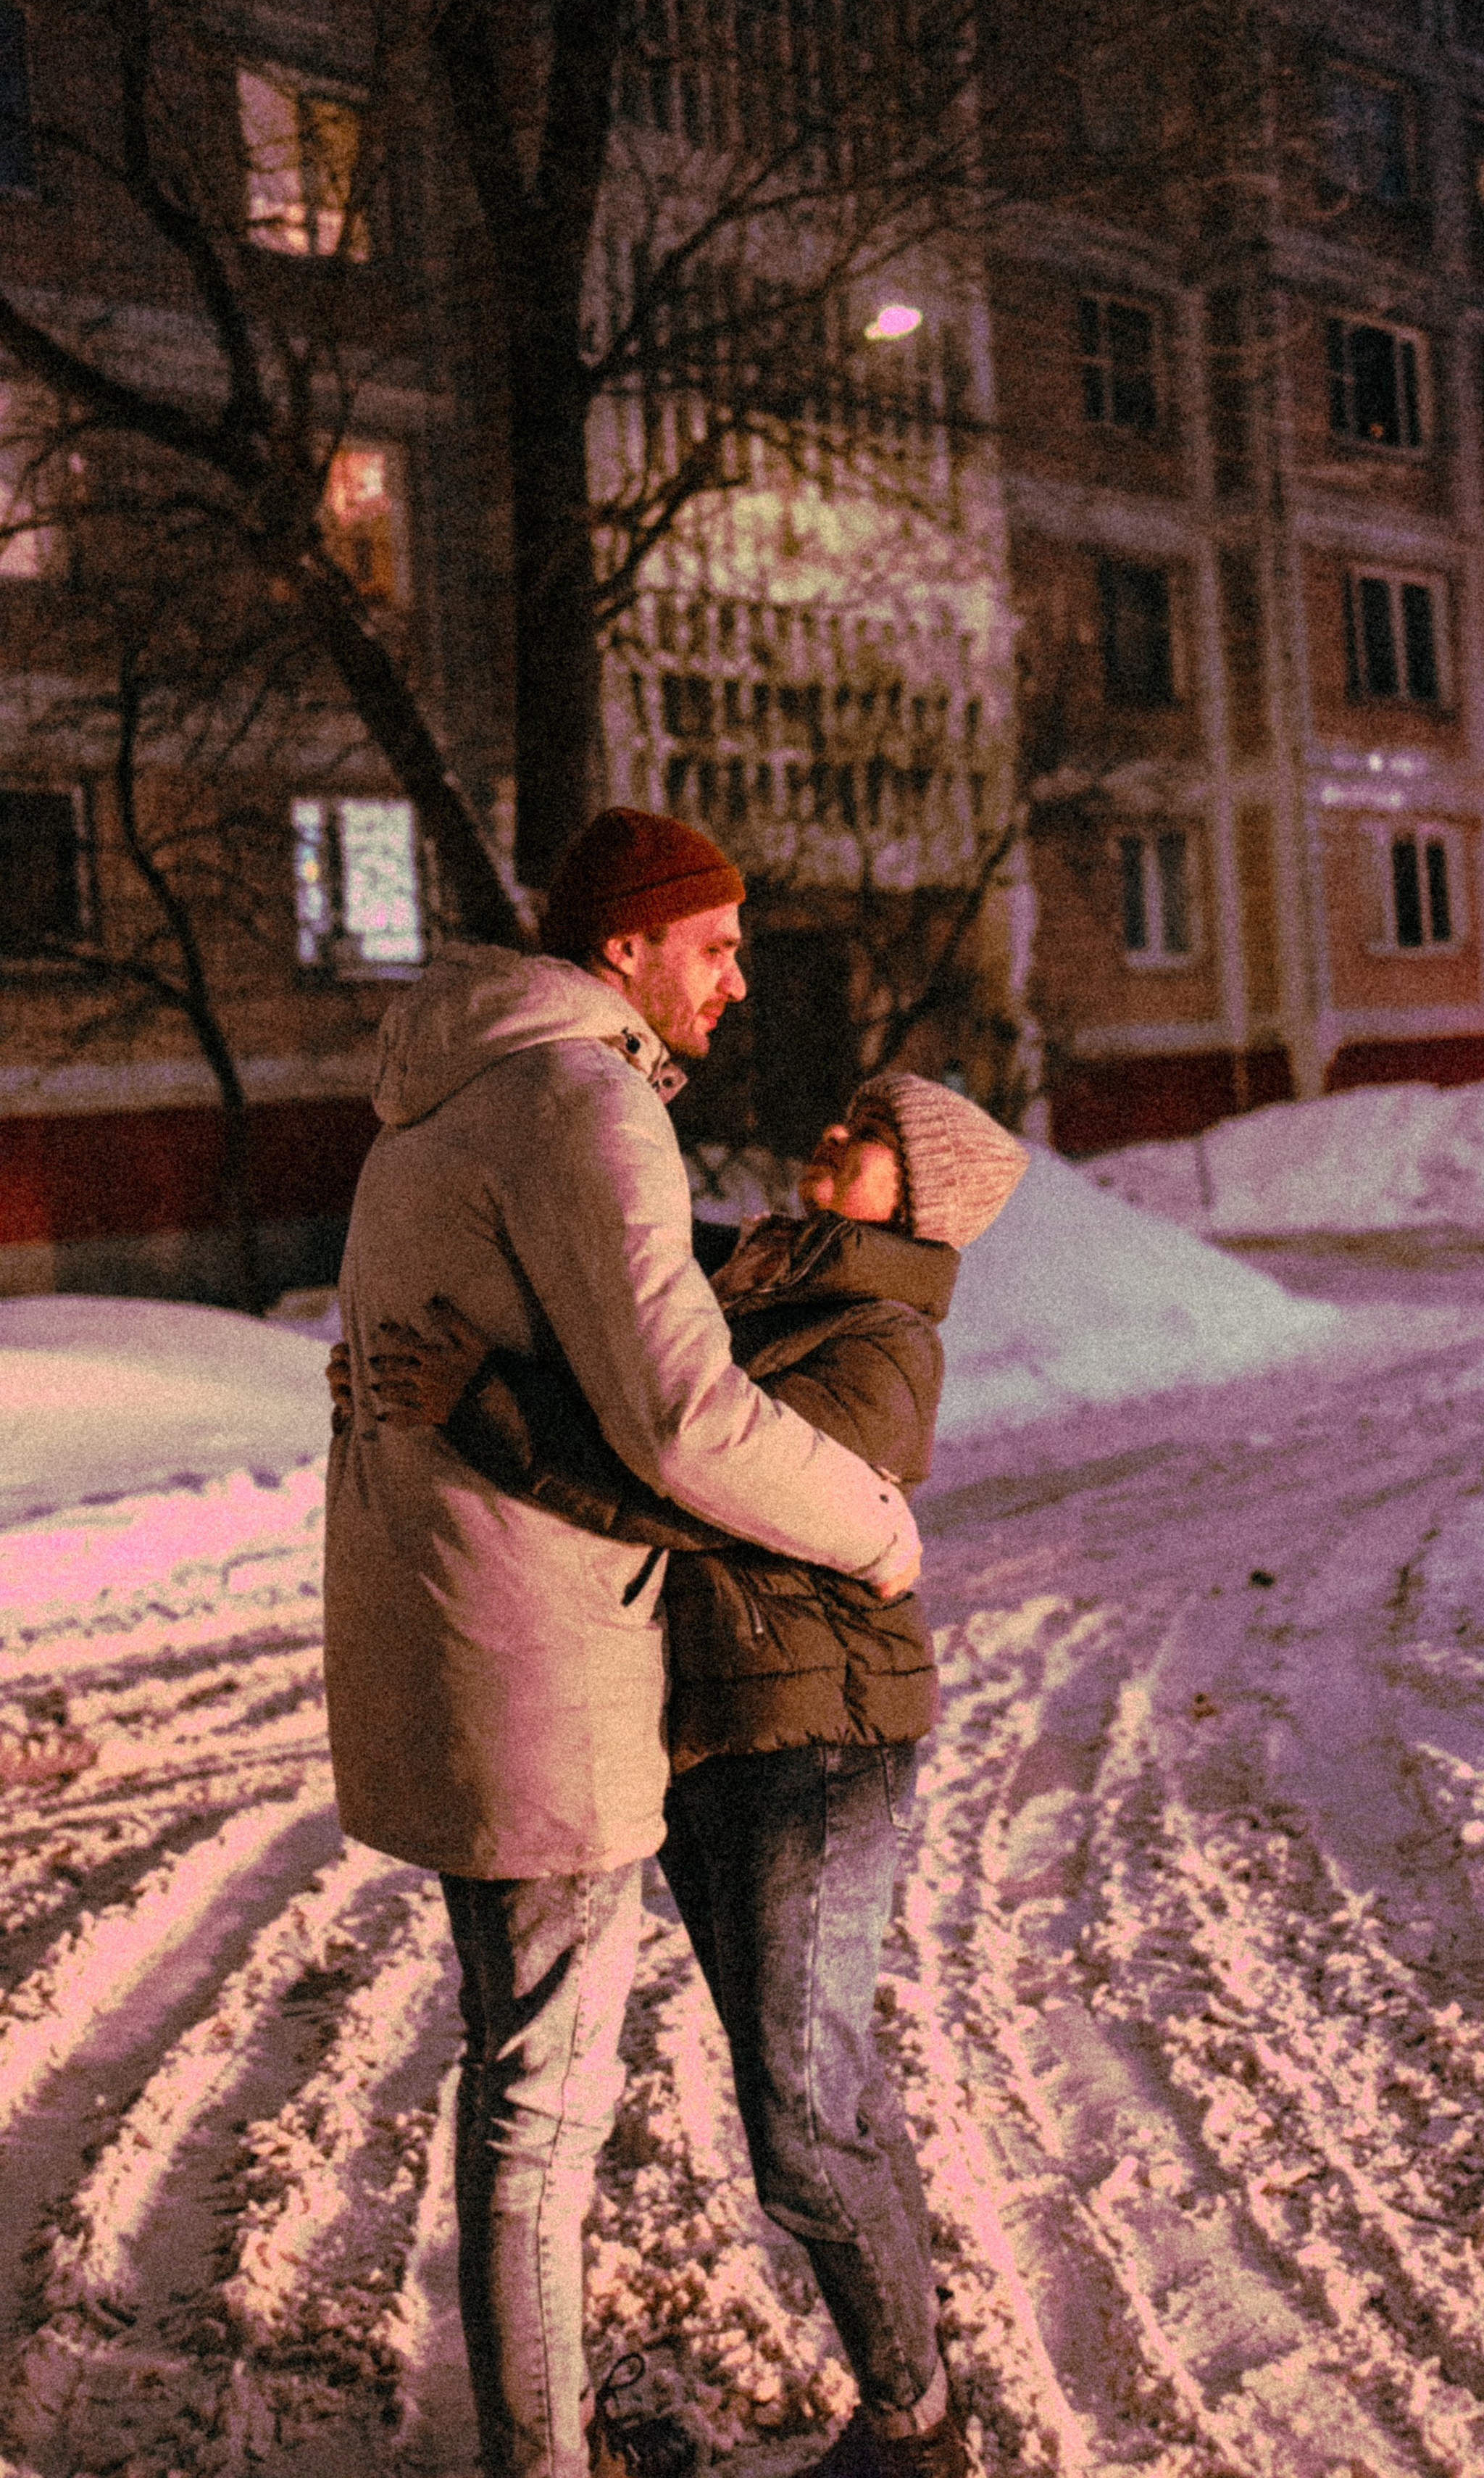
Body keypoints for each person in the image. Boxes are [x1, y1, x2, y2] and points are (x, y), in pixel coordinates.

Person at [322, 807, 922, 2478]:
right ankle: (545, 2461)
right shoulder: (580, 1098)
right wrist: (878, 1526)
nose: (736, 982)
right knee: (541, 2100)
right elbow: (680, 1417)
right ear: (625, 949)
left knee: (515, 2067)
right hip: (536, 1659)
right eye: (713, 946)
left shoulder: (437, 1101)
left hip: (452, 1640)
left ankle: (545, 2438)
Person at [353, 1073, 1029, 2478]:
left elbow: (678, 1472)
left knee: (797, 2122)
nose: (827, 1135)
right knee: (821, 2090)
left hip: (821, 1741)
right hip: (706, 1738)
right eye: (838, 1113)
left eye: (867, 1141)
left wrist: (485, 1405)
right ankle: (911, 2414)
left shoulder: (882, 1341)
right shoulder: (746, 1275)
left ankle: (920, 2427)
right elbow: (614, 1358)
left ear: (919, 1201)